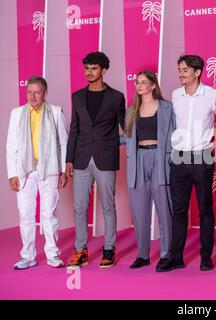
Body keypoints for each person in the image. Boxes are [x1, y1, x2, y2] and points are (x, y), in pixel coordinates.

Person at [157, 55, 216, 272]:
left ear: (198, 72)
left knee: (205, 209)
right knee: (179, 210)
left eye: (185, 70)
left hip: (202, 157)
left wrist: (214, 145)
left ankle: (206, 256)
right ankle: (176, 256)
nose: (181, 73)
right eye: (179, 70)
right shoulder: (176, 95)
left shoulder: (212, 94)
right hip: (179, 158)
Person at [66, 51, 126, 269]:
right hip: (81, 158)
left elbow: (125, 127)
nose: (89, 72)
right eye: (87, 68)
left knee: (108, 206)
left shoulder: (116, 97)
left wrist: (114, 143)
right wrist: (69, 160)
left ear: (104, 71)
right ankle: (80, 250)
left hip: (105, 157)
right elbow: (74, 129)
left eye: (94, 68)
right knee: (79, 208)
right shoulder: (77, 96)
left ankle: (109, 249)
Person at [7, 76, 68, 270]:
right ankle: (28, 256)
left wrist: (63, 170)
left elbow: (63, 143)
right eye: (29, 92)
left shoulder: (56, 113)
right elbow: (11, 146)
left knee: (48, 214)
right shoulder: (16, 113)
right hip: (25, 171)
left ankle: (52, 255)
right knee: (25, 215)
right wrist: (12, 174)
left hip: (49, 170)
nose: (32, 96)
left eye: (37, 92)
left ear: (45, 93)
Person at [121, 71, 175, 270]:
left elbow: (176, 135)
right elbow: (127, 138)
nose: (139, 85)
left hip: (161, 159)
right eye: (137, 82)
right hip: (137, 160)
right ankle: (142, 254)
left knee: (164, 210)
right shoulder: (131, 110)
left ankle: (166, 253)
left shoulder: (167, 108)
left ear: (153, 85)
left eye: (144, 82)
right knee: (139, 211)